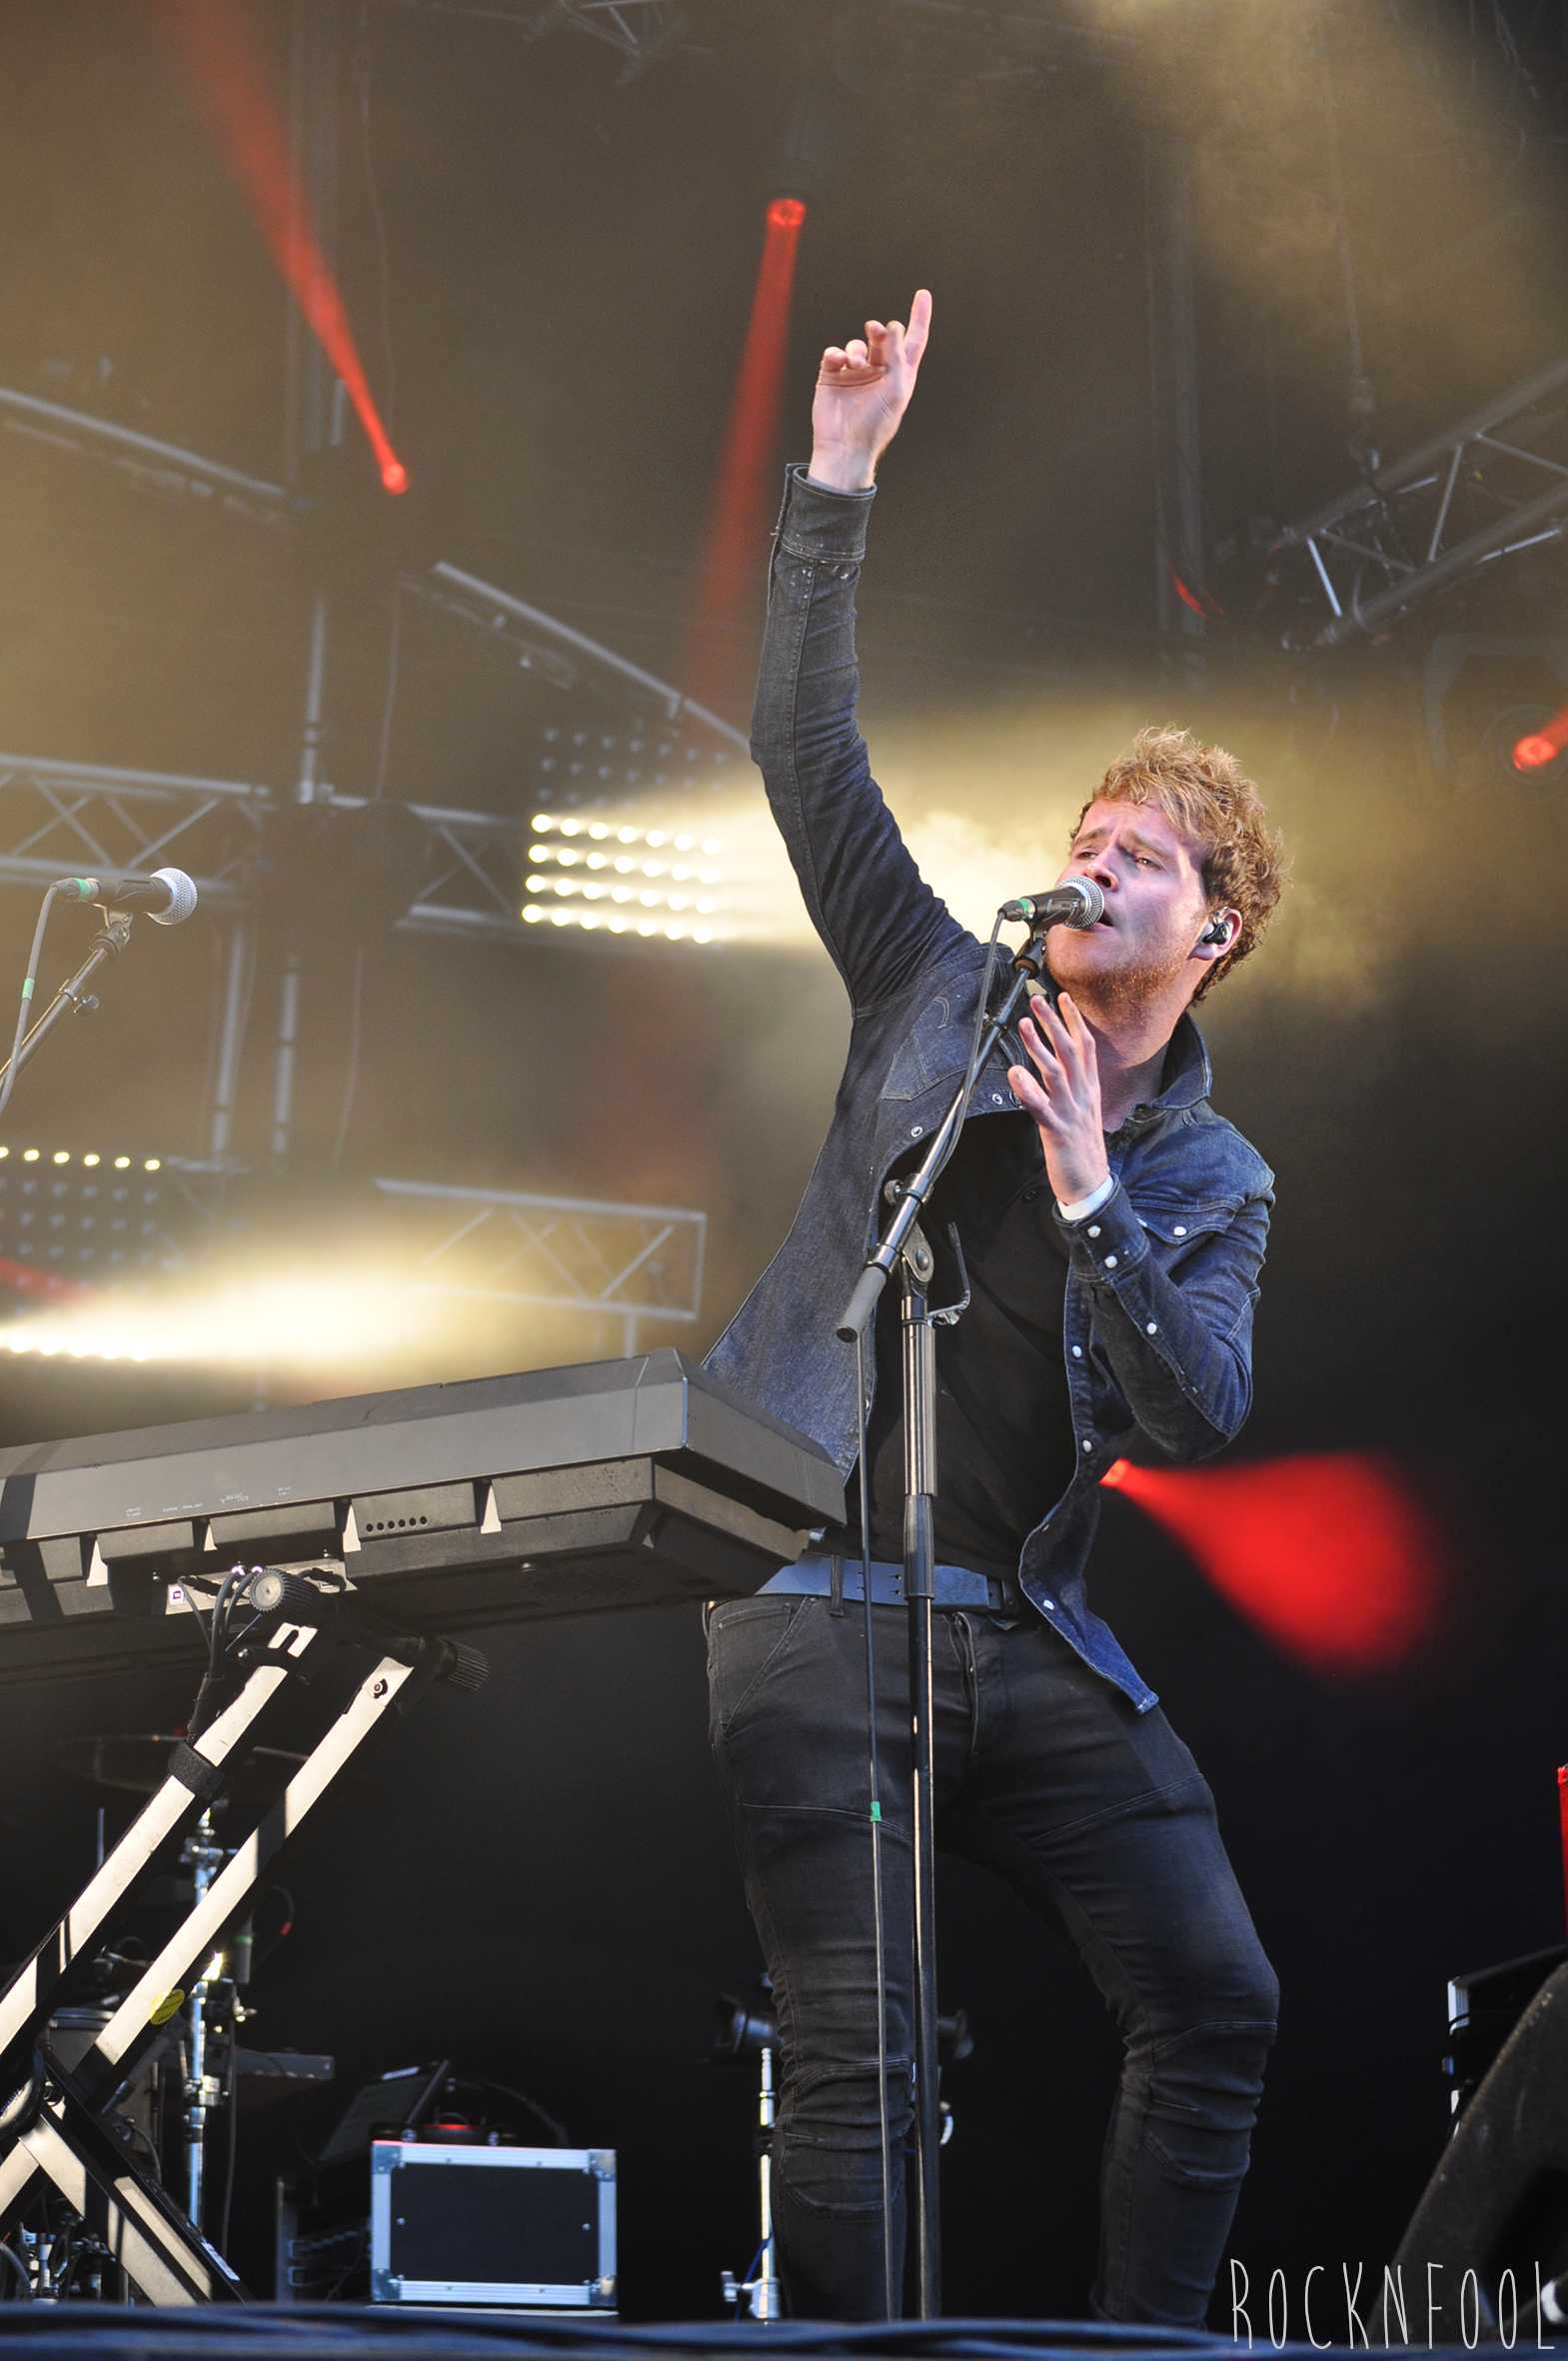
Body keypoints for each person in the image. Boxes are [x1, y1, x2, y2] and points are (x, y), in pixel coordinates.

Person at [704, 289, 1286, 2328]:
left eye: (1140, 856)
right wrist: (838, 474)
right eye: (1082, 840)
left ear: (1210, 926)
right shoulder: (931, 991)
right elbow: (804, 758)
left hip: (1021, 1638)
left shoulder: (1208, 1175)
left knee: (1213, 1990)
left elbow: (1197, 1411)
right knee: (856, 2052)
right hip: (815, 1605)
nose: (1091, 864)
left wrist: (1087, 1187)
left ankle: (1138, 2349)